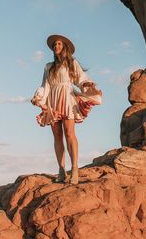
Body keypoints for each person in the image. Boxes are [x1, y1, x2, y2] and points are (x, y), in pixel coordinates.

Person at [31, 34, 102, 185]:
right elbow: (45, 85)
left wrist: (87, 85)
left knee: (69, 133)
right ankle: (61, 170)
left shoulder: (71, 62)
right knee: (57, 136)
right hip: (53, 100)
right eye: (54, 45)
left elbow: (80, 78)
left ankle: (75, 168)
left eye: (58, 44)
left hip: (67, 98)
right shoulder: (48, 67)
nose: (56, 47)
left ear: (64, 47)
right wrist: (39, 97)